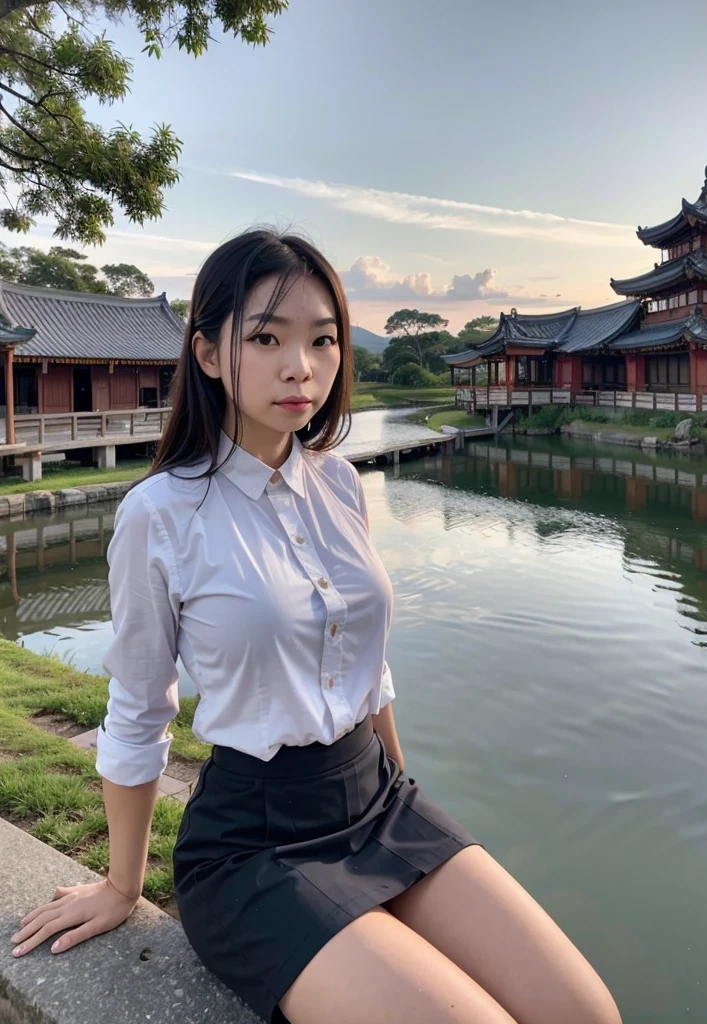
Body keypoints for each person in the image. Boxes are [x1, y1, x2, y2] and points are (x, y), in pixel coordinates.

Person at [8, 230, 621, 1024]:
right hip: (254, 844)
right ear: (209, 354)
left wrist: (405, 794)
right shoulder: (158, 515)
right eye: (267, 337)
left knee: (585, 1013)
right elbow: (137, 711)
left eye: (324, 339)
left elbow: (367, 663)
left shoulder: (339, 482)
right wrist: (124, 886)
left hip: (378, 799)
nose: (302, 365)